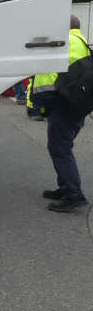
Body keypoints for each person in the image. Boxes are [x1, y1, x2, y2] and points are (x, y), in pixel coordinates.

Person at [34, 15, 91, 212]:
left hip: (64, 105)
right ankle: (65, 187)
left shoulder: (67, 41)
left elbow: (52, 73)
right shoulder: (80, 41)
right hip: (74, 105)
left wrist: (42, 99)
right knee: (60, 147)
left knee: (60, 149)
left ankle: (74, 194)